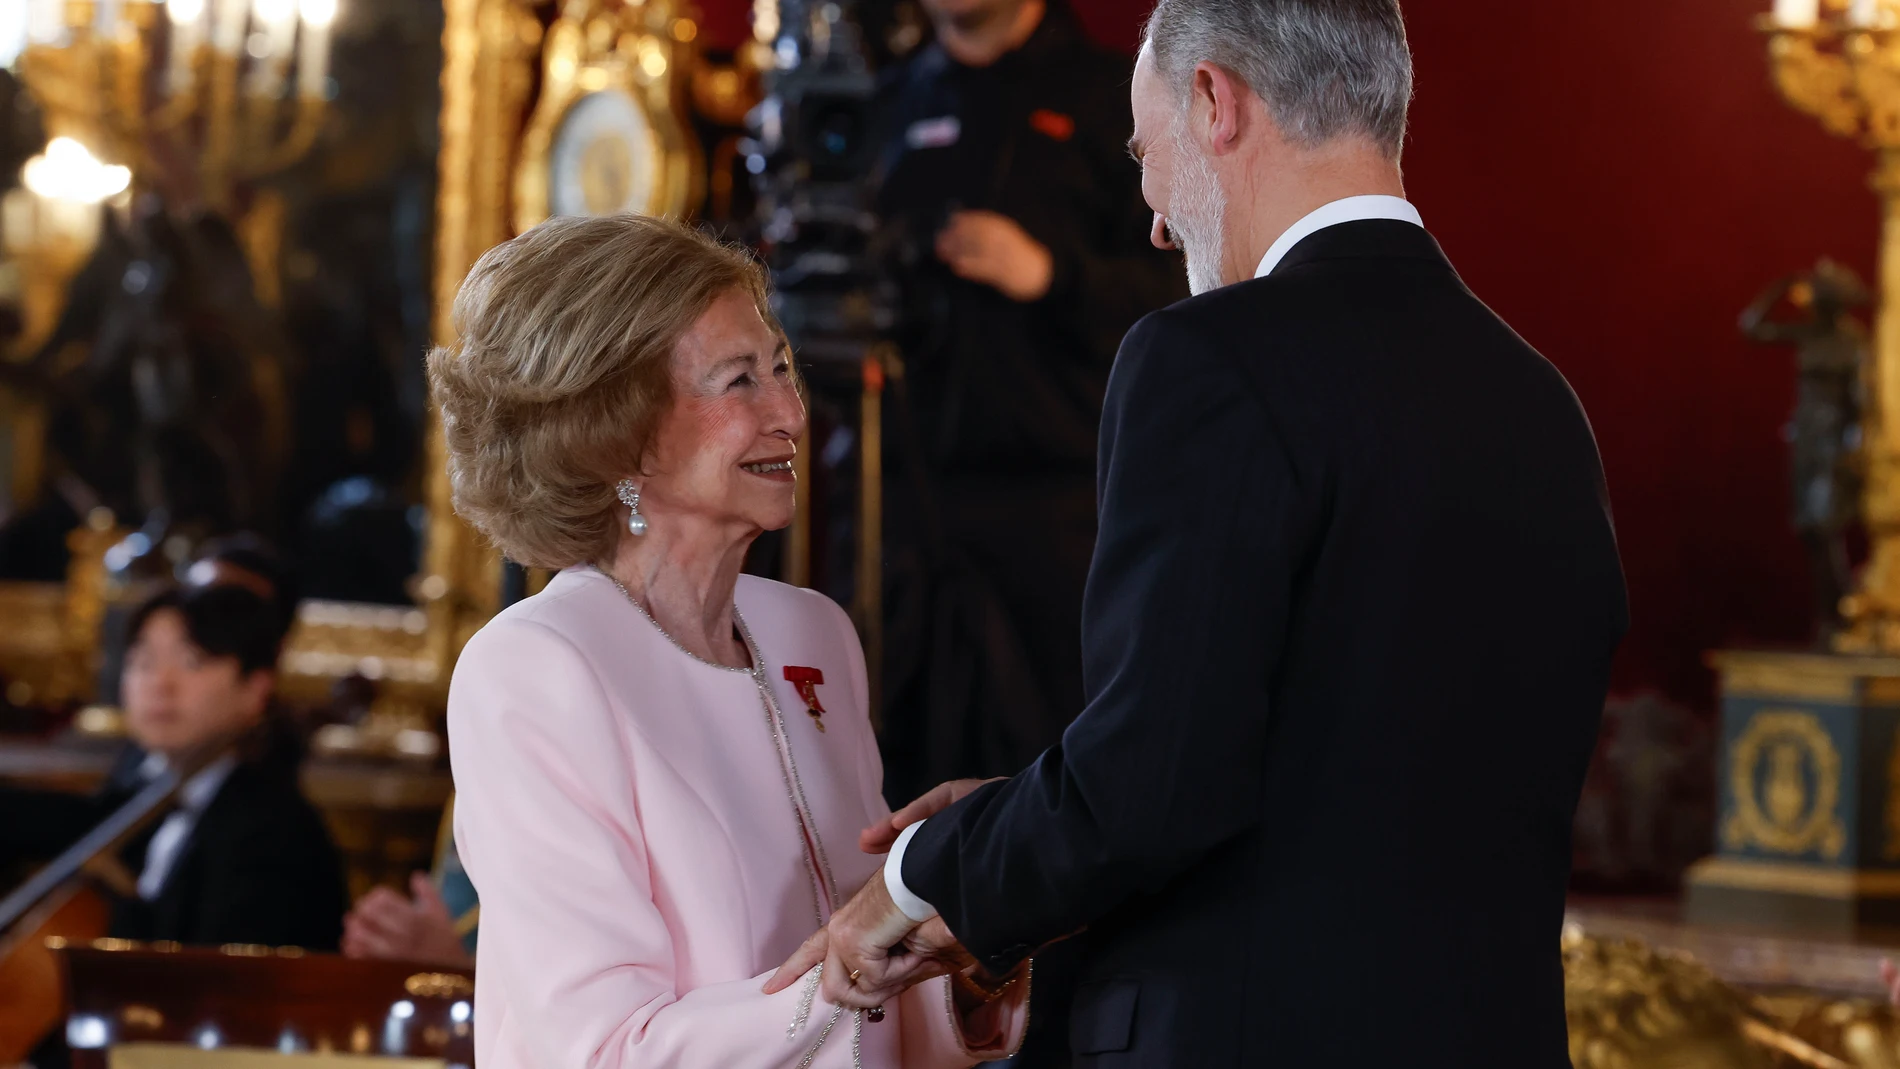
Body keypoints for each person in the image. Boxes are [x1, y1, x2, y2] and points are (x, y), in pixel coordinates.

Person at [770, 1, 1630, 1066]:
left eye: (1145, 154)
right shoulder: (1542, 402)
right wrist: (1025, 808)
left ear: (1217, 102)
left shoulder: (1205, 360)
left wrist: (923, 874)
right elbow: (1352, 758)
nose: (1156, 224)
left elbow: (1149, 785)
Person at [429, 213, 1029, 1068]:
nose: (790, 412)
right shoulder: (536, 667)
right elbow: (599, 1051)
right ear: (617, 431)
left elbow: (869, 1011)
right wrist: (839, 979)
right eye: (739, 380)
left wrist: (966, 956)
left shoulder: (814, 634)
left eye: (781, 368)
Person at [873, 0, 1188, 807]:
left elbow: (1189, 289)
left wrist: (1051, 274)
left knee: (1055, 785)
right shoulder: (880, 101)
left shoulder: (1117, 97)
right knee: (887, 784)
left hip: (1060, 516)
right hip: (898, 509)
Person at [0, 584, 347, 950]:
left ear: (255, 688)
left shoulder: (272, 829)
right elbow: (80, 820)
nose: (160, 683)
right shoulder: (146, 773)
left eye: (192, 661)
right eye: (143, 662)